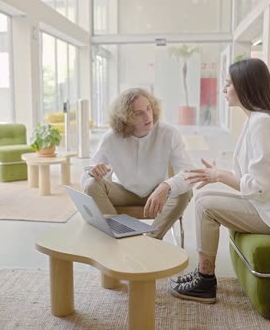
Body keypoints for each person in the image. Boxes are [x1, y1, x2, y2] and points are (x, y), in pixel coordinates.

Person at [170, 58, 270, 303]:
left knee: (204, 205)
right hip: (269, 206)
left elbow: (260, 188)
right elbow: (254, 178)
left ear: (244, 86)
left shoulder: (263, 123)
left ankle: (205, 280)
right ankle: (203, 276)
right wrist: (219, 172)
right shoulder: (256, 120)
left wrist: (219, 175)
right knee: (203, 198)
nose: (223, 89)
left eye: (228, 84)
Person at [82, 88, 194, 239]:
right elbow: (86, 176)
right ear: (126, 118)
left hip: (157, 194)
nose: (148, 116)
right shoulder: (111, 138)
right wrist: (93, 171)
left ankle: (151, 240)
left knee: (184, 191)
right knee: (91, 185)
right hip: (123, 192)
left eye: (148, 109)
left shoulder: (169, 133)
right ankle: (120, 236)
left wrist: (166, 185)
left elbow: (189, 173)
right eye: (138, 113)